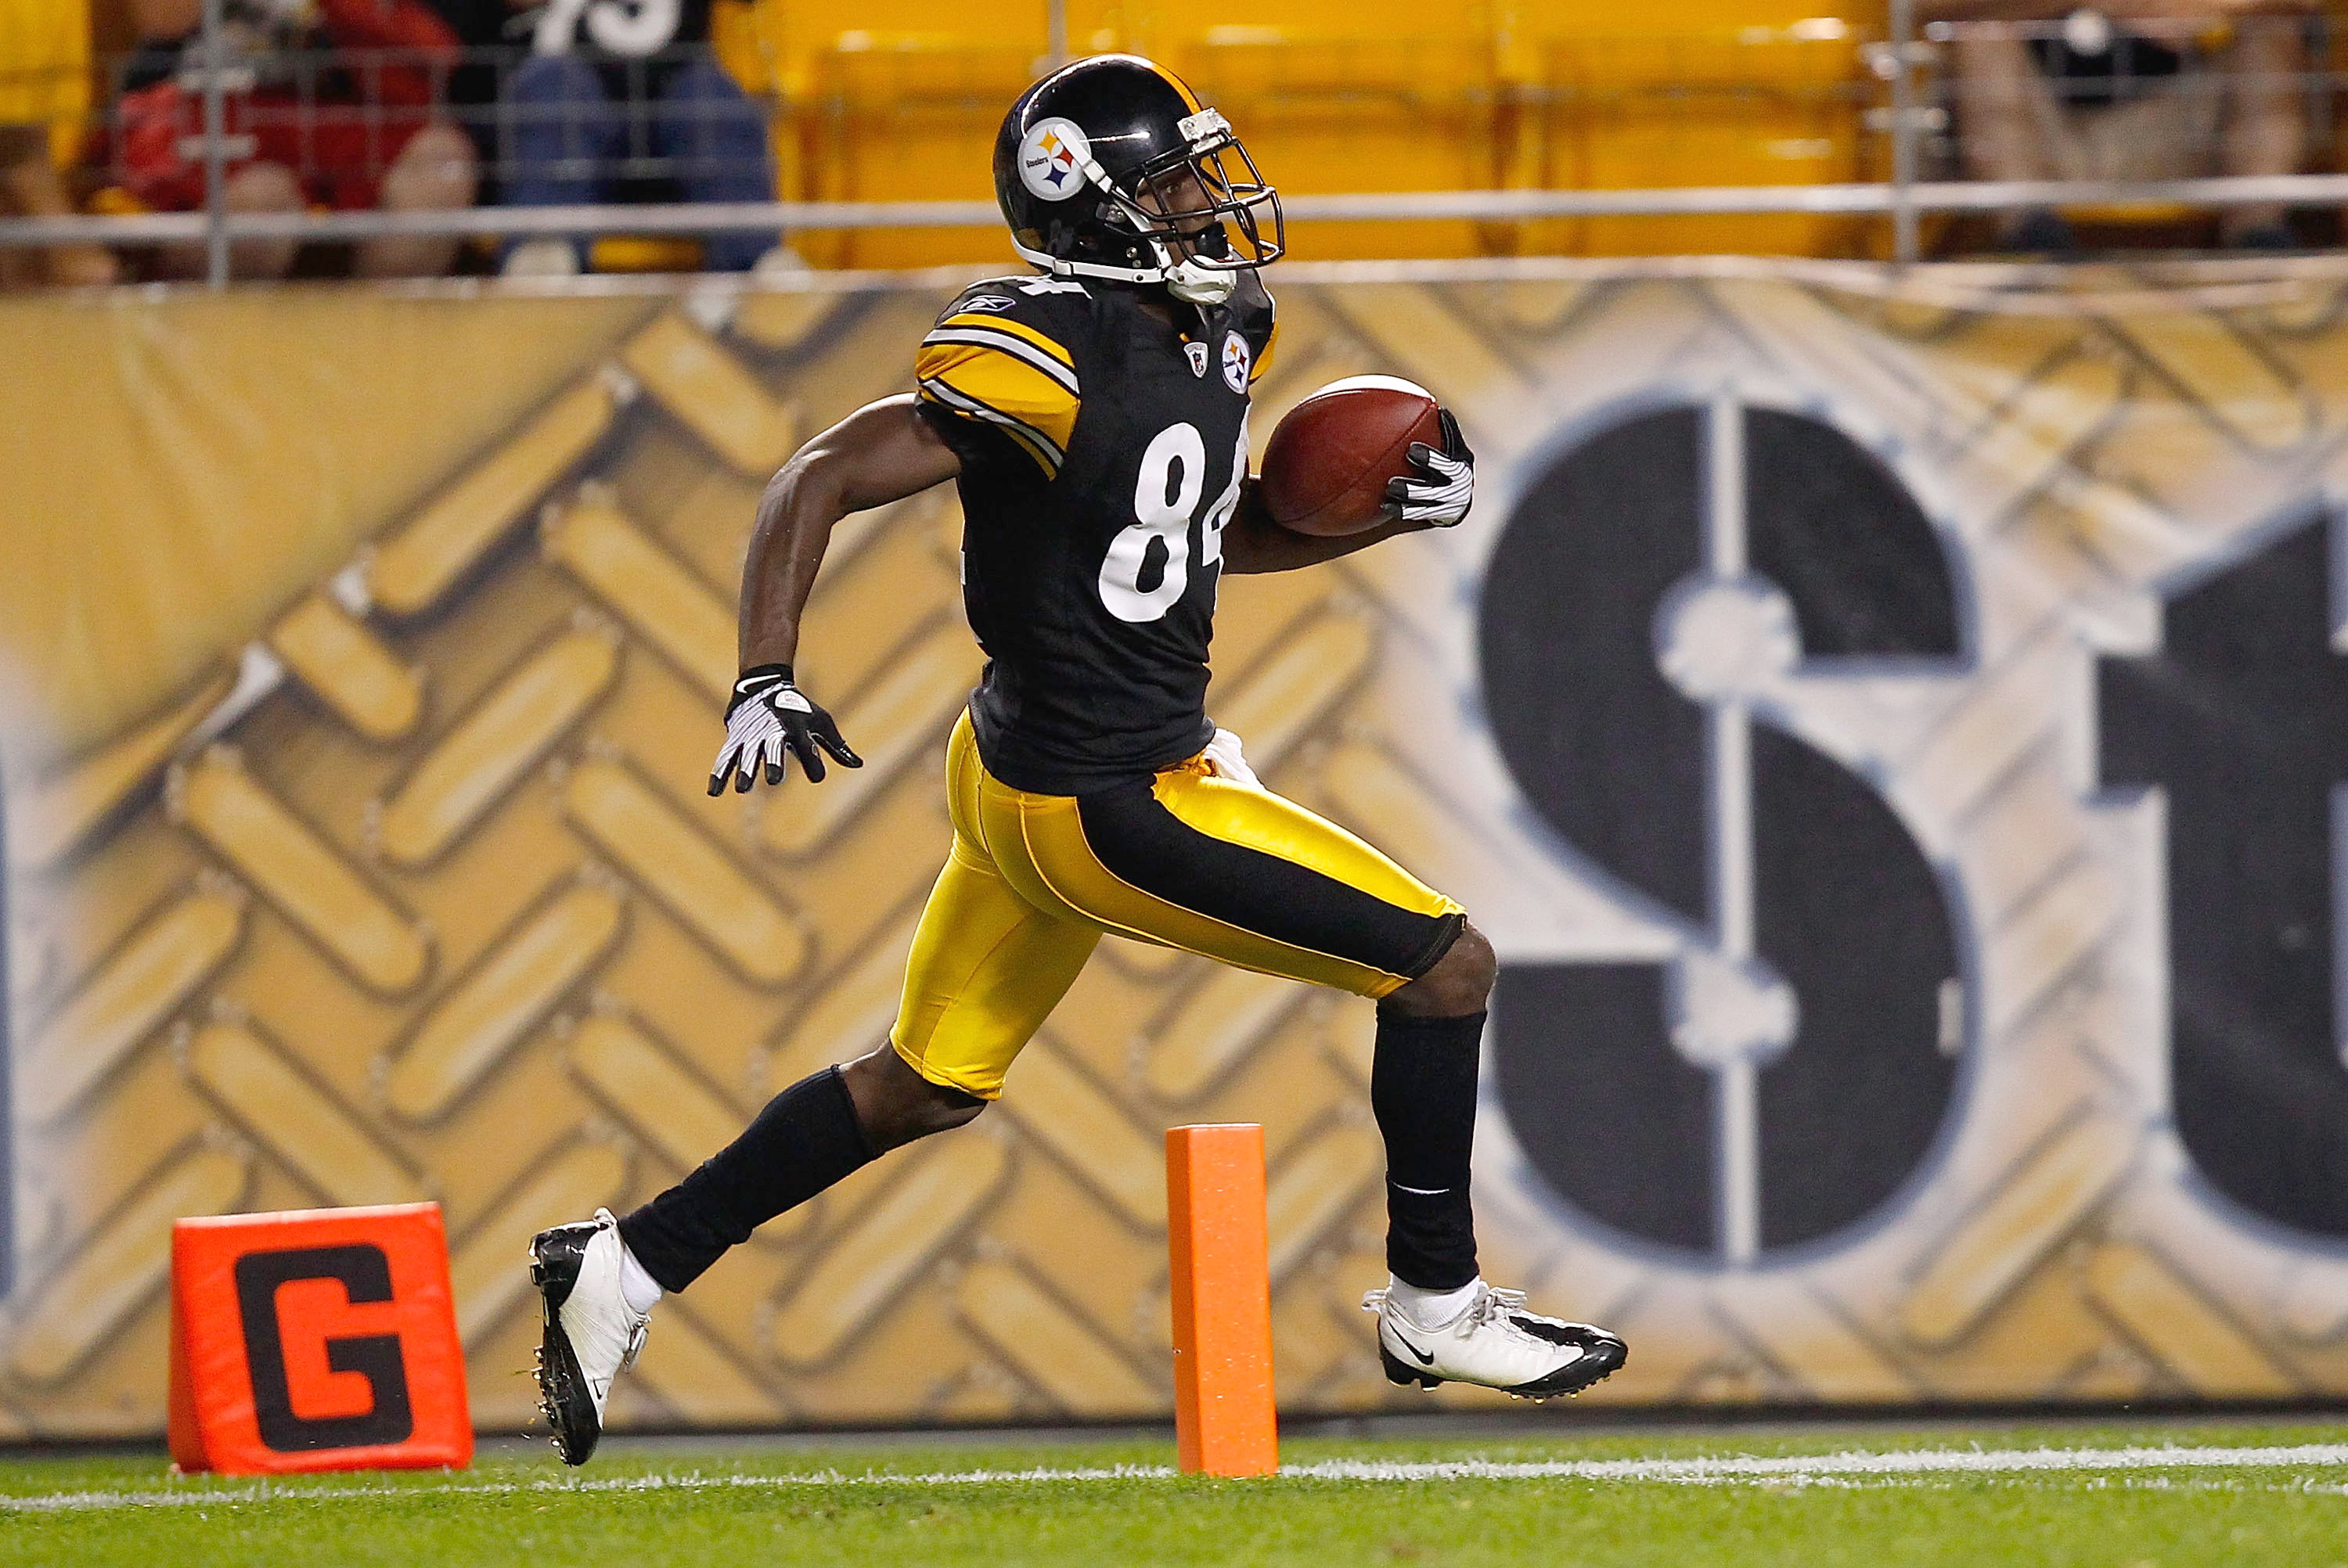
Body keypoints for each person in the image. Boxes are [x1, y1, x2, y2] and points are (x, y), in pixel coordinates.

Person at [525, 53, 1627, 1466]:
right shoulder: (1030, 342)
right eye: (1170, 177)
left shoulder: (1214, 323)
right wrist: (763, 672)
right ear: (1088, 200)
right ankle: (1436, 1298)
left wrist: (1378, 517)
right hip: (1102, 796)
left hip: (1025, 774)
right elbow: (820, 472)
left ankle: (626, 1265)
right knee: (1446, 964)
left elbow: (1183, 545)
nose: (1202, 198)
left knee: (923, 1080)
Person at [112, 0, 477, 279]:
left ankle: (381, 351)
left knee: (440, 170)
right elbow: (162, 17)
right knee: (261, 204)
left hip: (356, 117)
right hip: (221, 120)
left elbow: (442, 53)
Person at [1932, 0, 2315, 251]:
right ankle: (2029, 237)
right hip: (2048, 140)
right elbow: (1927, 8)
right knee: (1981, 35)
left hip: (2194, 128)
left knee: (2271, 31)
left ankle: (2258, 233)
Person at [492, 0, 775, 275]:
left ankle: (754, 255)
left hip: (676, 108)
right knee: (554, 91)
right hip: (578, 109)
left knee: (710, 98)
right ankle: (543, 248)